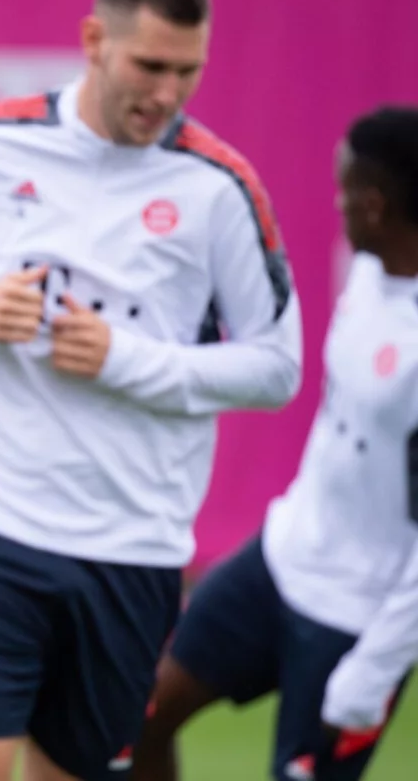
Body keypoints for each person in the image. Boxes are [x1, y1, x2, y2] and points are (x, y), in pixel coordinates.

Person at [0, 0, 303, 781]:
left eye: (187, 72)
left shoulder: (219, 186)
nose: (167, 92)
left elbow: (277, 366)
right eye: (150, 66)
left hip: (130, 545)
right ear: (93, 41)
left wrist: (130, 359)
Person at [131, 106, 418, 781]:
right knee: (135, 717)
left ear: (374, 205)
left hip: (357, 617)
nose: (335, 204)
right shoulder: (369, 272)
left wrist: (374, 671)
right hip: (281, 559)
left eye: (345, 189)